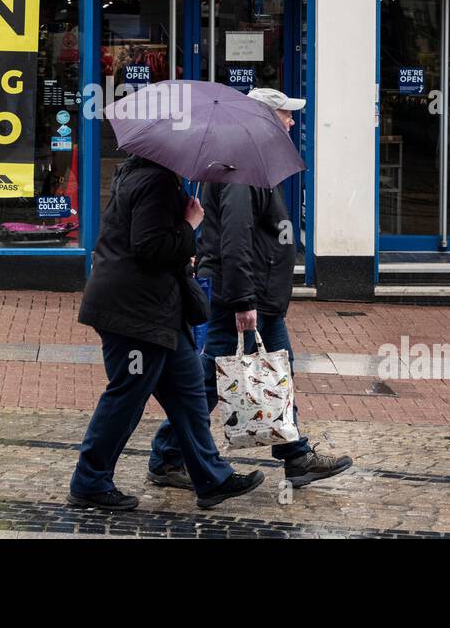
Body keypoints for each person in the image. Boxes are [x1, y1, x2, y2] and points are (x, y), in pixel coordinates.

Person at [147, 88, 353, 491]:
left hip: (254, 295)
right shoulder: (240, 164)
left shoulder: (247, 160)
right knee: (216, 380)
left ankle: (293, 457)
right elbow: (235, 238)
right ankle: (170, 457)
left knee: (264, 373)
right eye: (285, 115)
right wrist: (244, 300)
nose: (291, 122)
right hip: (242, 296)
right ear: (262, 117)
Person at [70, 153, 264, 511]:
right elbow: (148, 247)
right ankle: (89, 481)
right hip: (134, 314)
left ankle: (211, 478)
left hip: (159, 311)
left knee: (189, 395)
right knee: (126, 398)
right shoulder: (155, 181)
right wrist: (189, 226)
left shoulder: (152, 177)